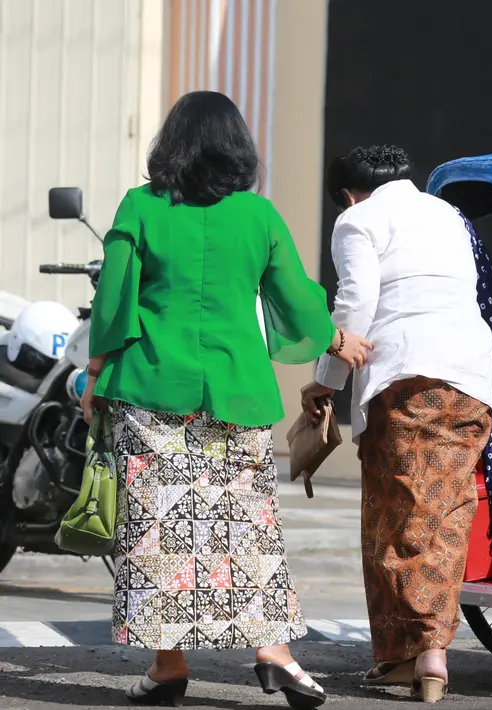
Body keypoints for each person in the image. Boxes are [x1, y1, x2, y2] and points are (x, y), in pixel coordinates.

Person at [81, 90, 371, 708]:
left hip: (152, 389)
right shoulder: (258, 217)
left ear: (173, 144)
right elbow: (296, 298)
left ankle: (169, 666)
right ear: (238, 147)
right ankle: (275, 655)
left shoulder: (141, 207)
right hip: (238, 393)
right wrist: (336, 338)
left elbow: (113, 299)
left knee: (158, 532)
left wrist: (97, 369)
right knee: (247, 527)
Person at [299, 145, 492, 703]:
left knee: (395, 513)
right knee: (445, 509)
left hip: (406, 376)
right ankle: (419, 657)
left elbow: (355, 305)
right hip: (470, 378)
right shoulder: (446, 214)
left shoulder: (357, 219)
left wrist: (325, 381)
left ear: (346, 193)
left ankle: (417, 654)